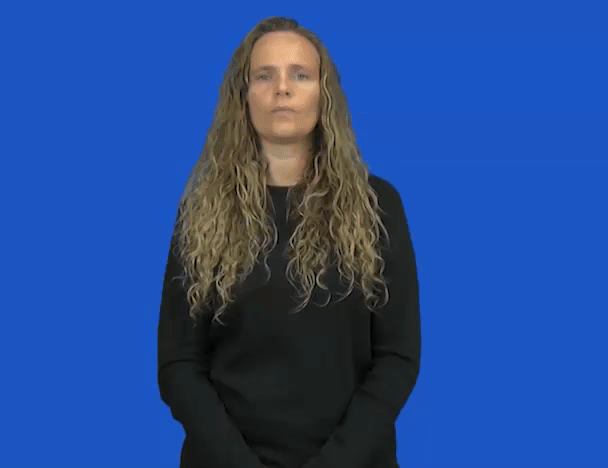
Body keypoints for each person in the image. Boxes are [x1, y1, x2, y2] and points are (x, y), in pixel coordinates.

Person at [157, 16, 421, 468]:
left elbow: (397, 358)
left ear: (324, 93)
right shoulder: (202, 210)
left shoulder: (379, 205)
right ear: (243, 95)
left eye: (300, 74)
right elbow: (178, 364)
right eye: (265, 75)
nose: (282, 88)